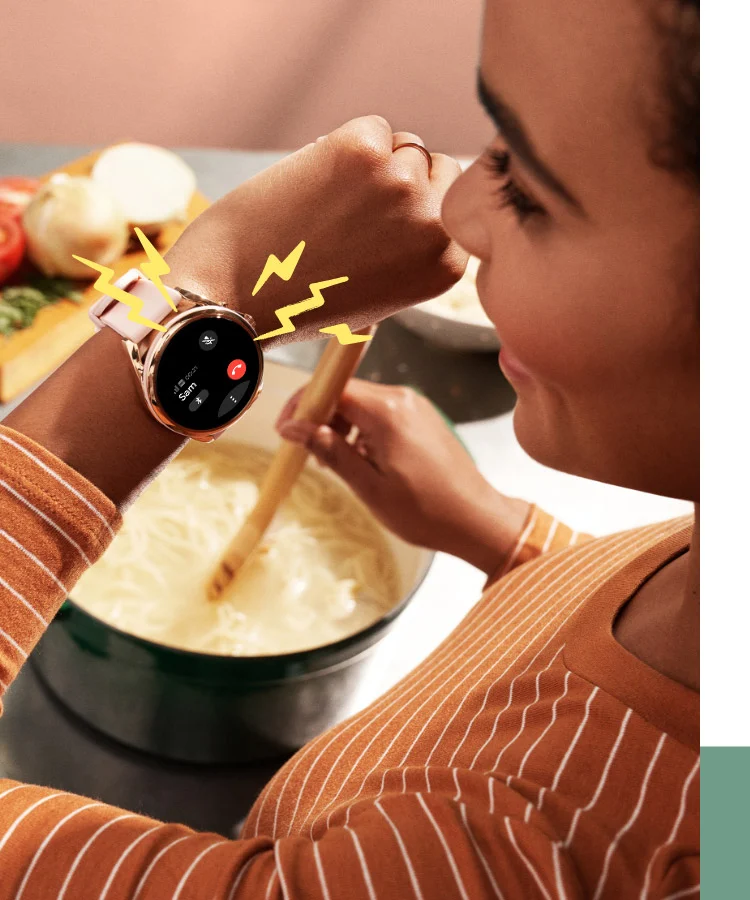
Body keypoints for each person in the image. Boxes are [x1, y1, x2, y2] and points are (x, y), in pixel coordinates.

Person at [0, 0, 699, 896]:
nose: (462, 210)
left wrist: (202, 302)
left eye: (526, 186)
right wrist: (514, 544)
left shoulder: (485, 858)